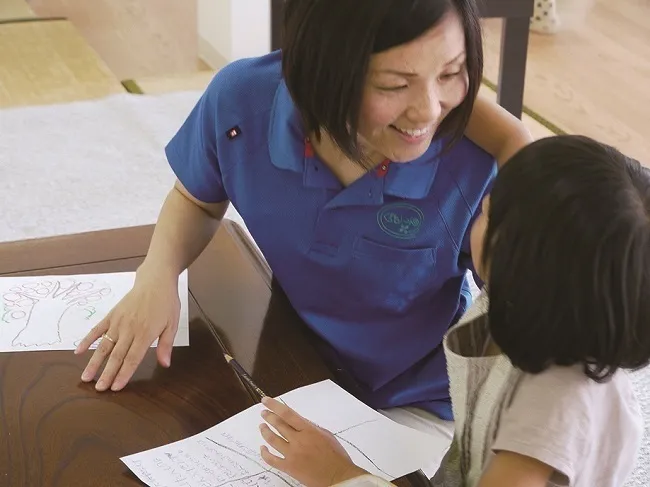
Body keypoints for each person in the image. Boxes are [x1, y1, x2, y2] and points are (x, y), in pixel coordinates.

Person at [75, 0, 531, 468]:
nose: (430, 109)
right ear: (324, 69)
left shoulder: (472, 163)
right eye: (395, 84)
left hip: (420, 403)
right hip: (290, 368)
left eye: (452, 73)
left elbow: (534, 313)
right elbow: (197, 198)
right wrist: (158, 274)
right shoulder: (240, 102)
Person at [257, 135, 648, 487]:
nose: (477, 212)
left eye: (487, 210)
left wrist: (339, 475)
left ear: (516, 257)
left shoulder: (551, 412)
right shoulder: (545, 305)